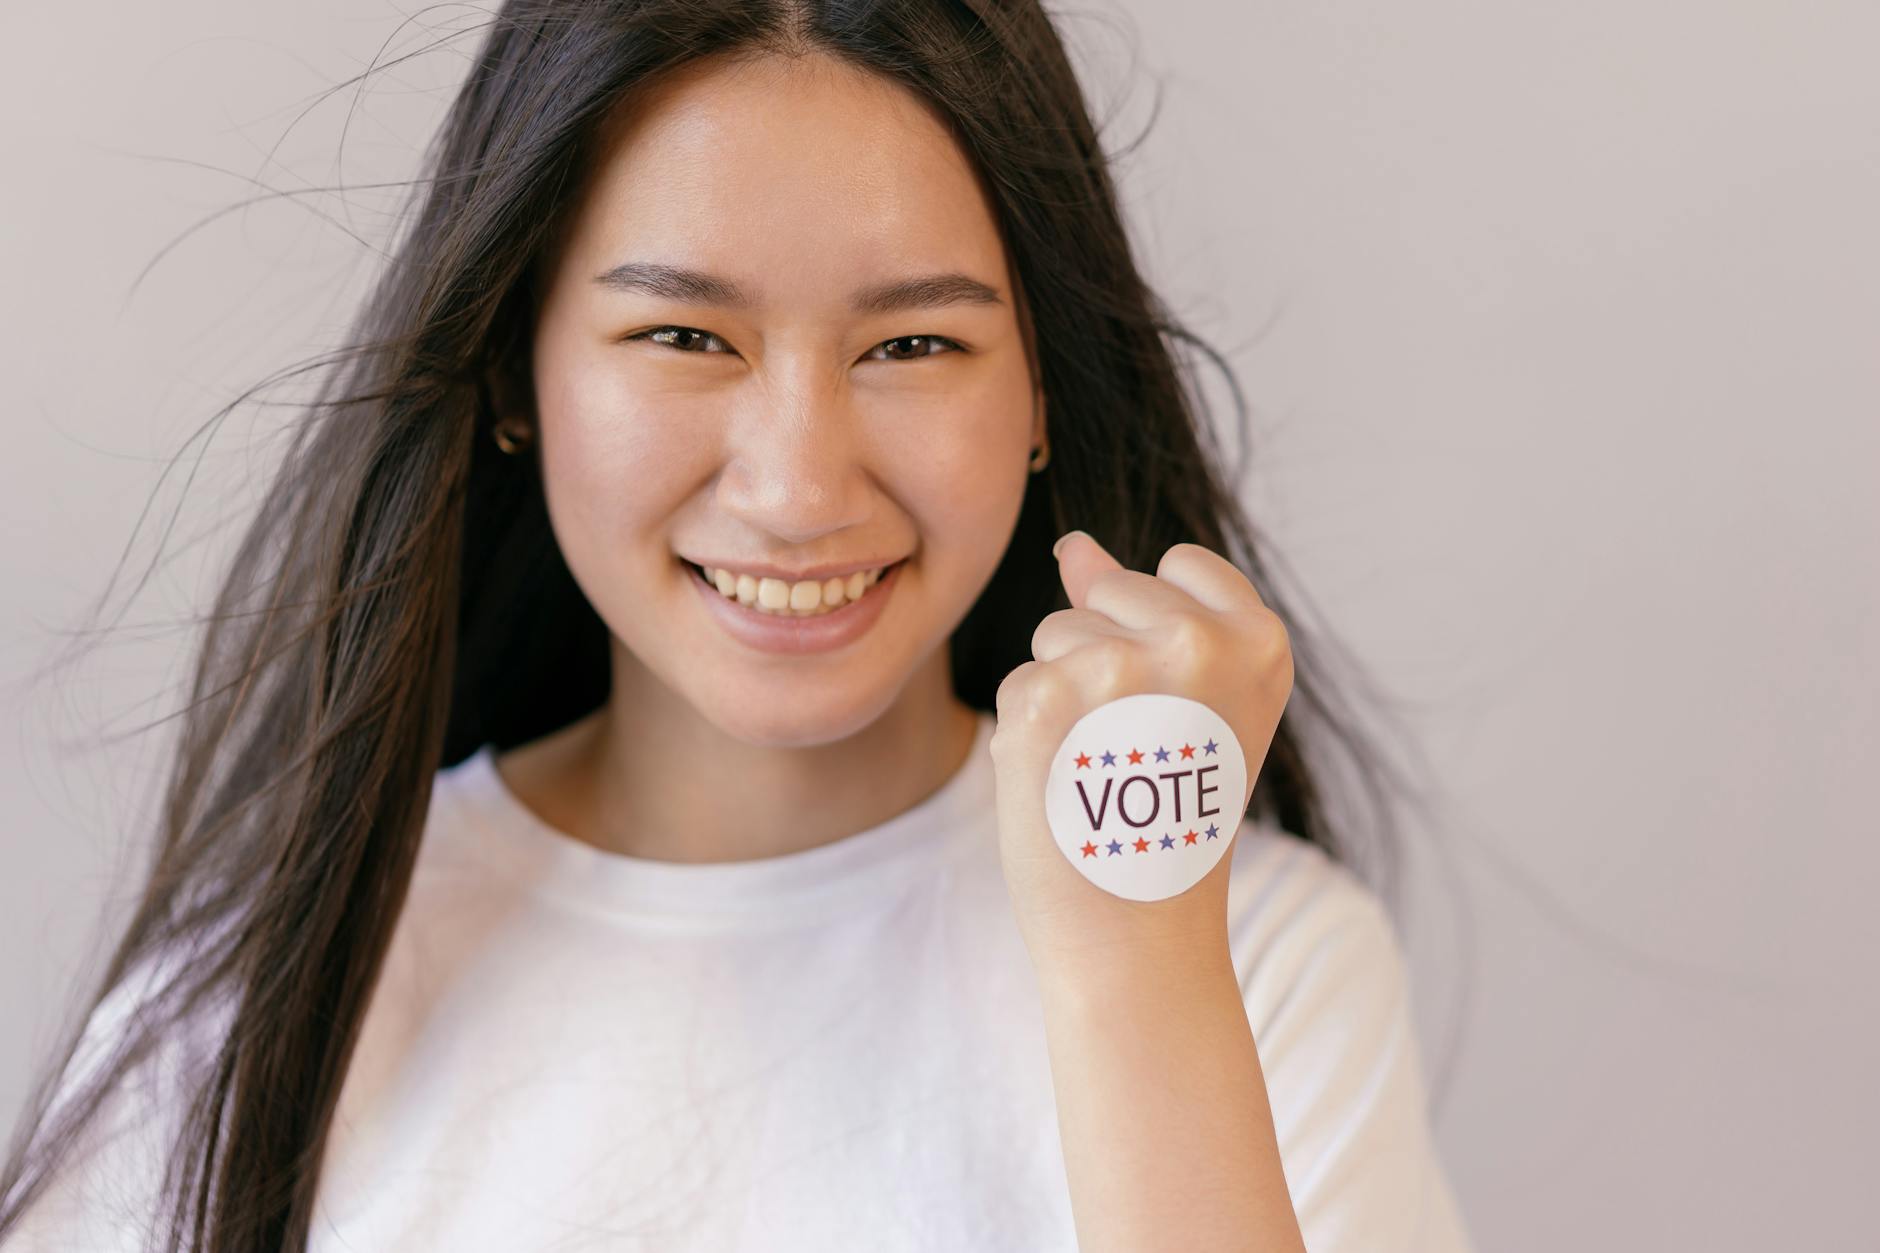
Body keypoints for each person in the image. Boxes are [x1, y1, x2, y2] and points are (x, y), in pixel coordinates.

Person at [0, 2, 1475, 1249]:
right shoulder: (262, 998)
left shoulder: (1252, 958)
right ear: (517, 373)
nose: (795, 485)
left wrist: (1133, 963)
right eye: (685, 337)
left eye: (913, 343)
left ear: (1041, 393)